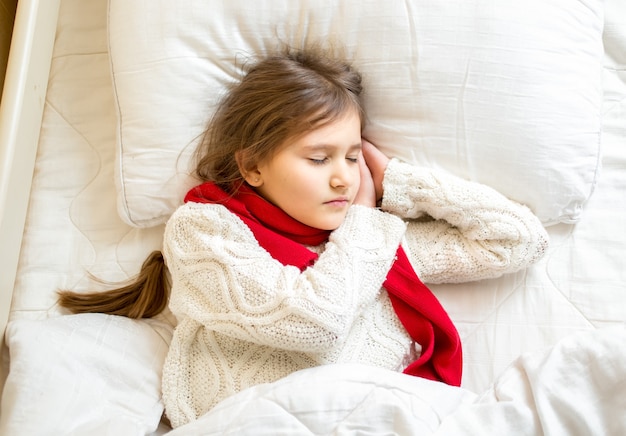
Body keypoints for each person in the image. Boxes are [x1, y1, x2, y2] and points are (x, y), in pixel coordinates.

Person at [58, 46, 548, 428]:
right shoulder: (206, 230)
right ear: (252, 165)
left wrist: (396, 180)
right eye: (319, 159)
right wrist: (363, 219)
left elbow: (518, 241)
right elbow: (311, 322)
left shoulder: (379, 243)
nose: (343, 178)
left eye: (353, 157)